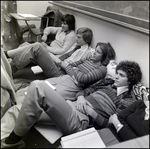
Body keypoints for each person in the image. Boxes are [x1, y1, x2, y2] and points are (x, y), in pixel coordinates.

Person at [1, 60, 142, 148]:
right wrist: (80, 98)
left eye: (121, 75)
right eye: (117, 73)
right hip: (71, 106)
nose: (116, 76)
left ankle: (12, 142)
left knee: (38, 86)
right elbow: (84, 91)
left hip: (82, 120)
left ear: (130, 80)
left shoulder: (128, 101)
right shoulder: (108, 82)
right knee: (18, 110)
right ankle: (5, 138)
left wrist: (90, 111)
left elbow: (110, 126)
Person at [5, 27, 94, 78]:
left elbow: (71, 68)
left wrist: (53, 57)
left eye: (79, 38)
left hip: (60, 72)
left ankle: (7, 56)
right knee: (27, 44)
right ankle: (9, 65)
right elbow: (64, 55)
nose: (76, 39)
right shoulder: (76, 45)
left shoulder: (86, 52)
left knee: (37, 47)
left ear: (86, 40)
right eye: (77, 37)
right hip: (56, 63)